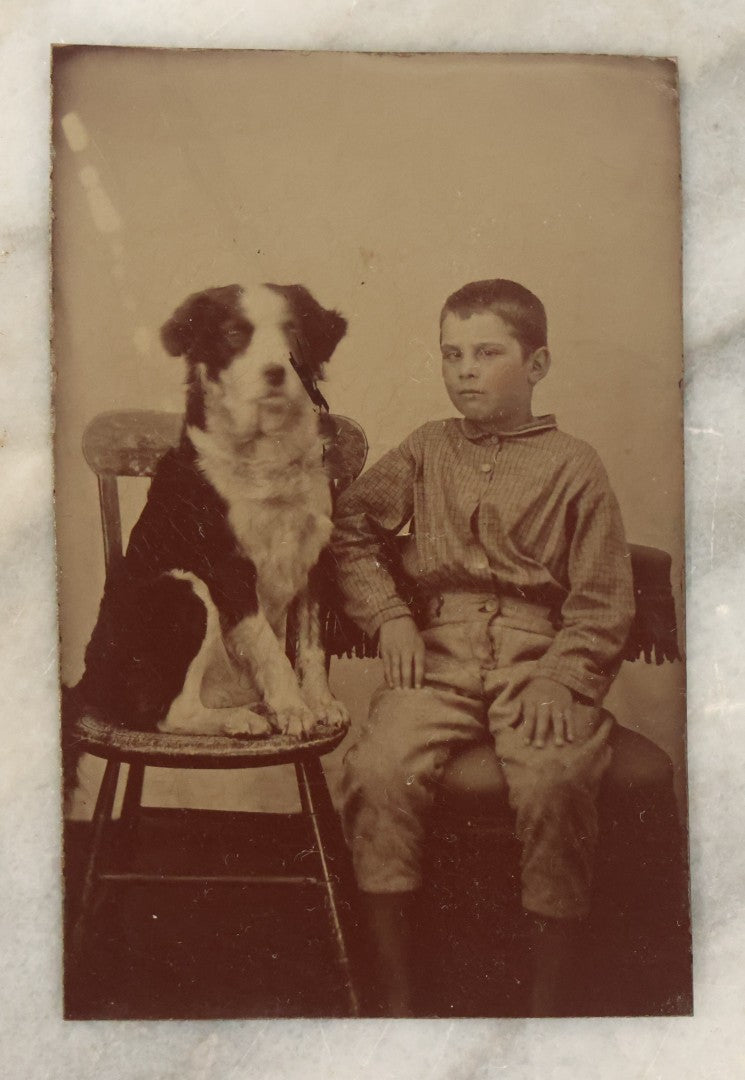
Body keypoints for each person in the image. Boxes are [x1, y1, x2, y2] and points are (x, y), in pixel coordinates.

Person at [330, 278, 647, 1016]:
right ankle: (397, 1003)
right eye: (452, 354)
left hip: (538, 656)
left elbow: (603, 596)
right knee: (378, 770)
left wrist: (563, 678)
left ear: (537, 365)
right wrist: (389, 617)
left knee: (554, 777)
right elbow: (351, 531)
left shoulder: (574, 465)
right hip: (437, 650)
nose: (465, 370)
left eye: (487, 353)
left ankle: (546, 1008)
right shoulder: (426, 448)